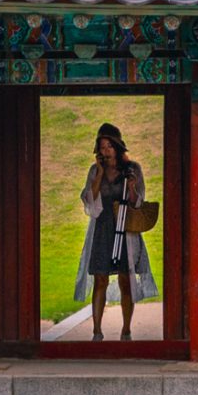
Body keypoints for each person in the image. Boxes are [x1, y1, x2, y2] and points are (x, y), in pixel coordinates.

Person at [75, 124, 156, 339]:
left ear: (118, 146)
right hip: (102, 227)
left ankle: (126, 329)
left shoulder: (132, 168)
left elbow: (138, 202)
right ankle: (97, 331)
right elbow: (89, 200)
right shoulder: (95, 171)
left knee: (125, 279)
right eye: (102, 147)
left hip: (125, 226)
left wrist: (131, 187)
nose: (106, 151)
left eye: (110, 146)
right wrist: (100, 174)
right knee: (100, 278)